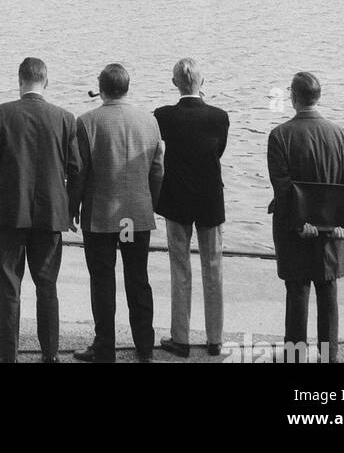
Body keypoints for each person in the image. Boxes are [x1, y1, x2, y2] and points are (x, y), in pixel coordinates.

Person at [0, 57, 81, 363]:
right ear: (45, 82)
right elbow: (76, 169)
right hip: (50, 215)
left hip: (11, 213)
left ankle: (8, 354)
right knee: (47, 285)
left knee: (9, 285)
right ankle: (50, 355)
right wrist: (71, 209)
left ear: (20, 80)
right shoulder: (65, 118)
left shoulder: (2, 113)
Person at [267, 71, 344, 363]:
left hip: (295, 231)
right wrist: (340, 225)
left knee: (297, 294)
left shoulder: (280, 135)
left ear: (293, 98)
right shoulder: (340, 133)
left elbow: (282, 189)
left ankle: (295, 358)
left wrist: (298, 224)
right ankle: (329, 358)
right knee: (328, 292)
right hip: (332, 231)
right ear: (318, 98)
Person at [74, 63, 164, 363]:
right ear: (127, 87)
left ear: (101, 88)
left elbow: (79, 173)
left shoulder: (87, 122)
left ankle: (105, 347)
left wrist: (71, 207)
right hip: (135, 215)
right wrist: (151, 202)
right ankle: (145, 347)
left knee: (102, 281)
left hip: (101, 216)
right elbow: (157, 169)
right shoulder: (149, 121)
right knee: (138, 279)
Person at [154, 58, 229, 358]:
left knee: (180, 268)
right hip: (210, 199)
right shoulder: (220, 117)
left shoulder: (162, 116)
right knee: (213, 268)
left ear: (175, 83)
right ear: (203, 82)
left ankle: (181, 338)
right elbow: (218, 150)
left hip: (177, 199)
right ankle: (215, 339)